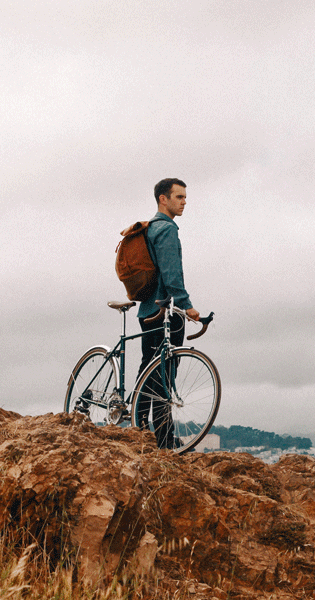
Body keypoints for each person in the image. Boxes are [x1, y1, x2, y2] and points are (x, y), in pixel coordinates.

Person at [136, 178, 201, 447]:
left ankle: (138, 430)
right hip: (167, 311)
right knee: (165, 374)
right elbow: (172, 276)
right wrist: (188, 307)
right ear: (163, 199)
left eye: (185, 197)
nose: (184, 202)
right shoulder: (167, 231)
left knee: (147, 372)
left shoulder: (150, 229)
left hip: (147, 310)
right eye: (179, 197)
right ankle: (164, 441)